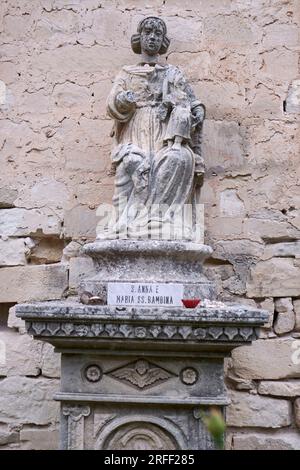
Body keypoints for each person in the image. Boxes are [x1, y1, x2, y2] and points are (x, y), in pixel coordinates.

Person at [101, 16, 205, 240]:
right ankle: (127, 222)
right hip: (136, 127)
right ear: (140, 37)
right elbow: (112, 104)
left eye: (158, 34)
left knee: (169, 165)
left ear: (163, 41)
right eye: (148, 32)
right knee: (135, 166)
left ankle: (159, 220)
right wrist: (124, 100)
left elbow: (192, 101)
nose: (152, 38)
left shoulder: (172, 73)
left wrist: (197, 112)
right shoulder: (127, 73)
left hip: (163, 128)